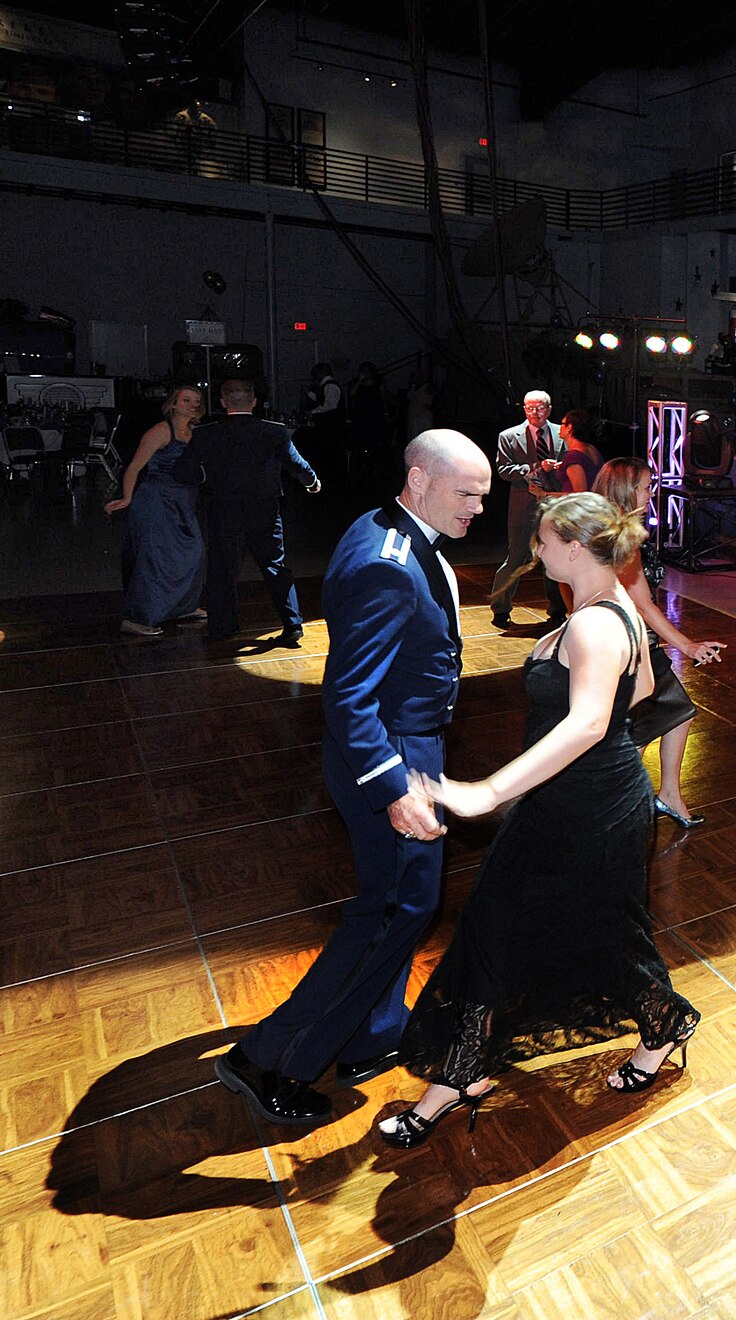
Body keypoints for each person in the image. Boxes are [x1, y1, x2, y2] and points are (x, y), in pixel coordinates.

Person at [378, 492, 701, 1147]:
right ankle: (464, 1071)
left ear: (575, 548)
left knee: (574, 931)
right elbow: (640, 702)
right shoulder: (612, 614)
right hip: (582, 800)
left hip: (586, 809)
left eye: (545, 541)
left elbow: (588, 723)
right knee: (517, 928)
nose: (537, 550)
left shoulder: (595, 624)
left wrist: (487, 790)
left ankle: (665, 1024)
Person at [214, 430, 490, 1126]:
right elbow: (347, 698)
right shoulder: (389, 563)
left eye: (484, 496)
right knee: (392, 913)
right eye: (467, 494)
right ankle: (272, 1059)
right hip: (391, 757)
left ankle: (369, 1034)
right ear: (420, 477)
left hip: (406, 745)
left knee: (403, 906)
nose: (479, 509)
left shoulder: (384, 526)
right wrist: (396, 787)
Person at [593, 458, 727, 827]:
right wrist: (687, 646)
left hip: (623, 643)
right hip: (631, 647)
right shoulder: (621, 539)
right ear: (625, 490)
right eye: (645, 486)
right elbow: (644, 602)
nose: (651, 493)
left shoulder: (597, 530)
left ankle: (666, 794)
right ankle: (612, 809)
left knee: (677, 714)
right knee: (634, 733)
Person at [183, 378, 321, 646]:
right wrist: (312, 482)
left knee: (222, 568)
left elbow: (185, 472)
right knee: (274, 565)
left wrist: (206, 478)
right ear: (254, 402)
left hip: (224, 509)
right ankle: (292, 624)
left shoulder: (205, 434)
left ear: (223, 403)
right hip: (264, 510)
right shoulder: (274, 432)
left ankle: (222, 627)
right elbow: (296, 464)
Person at [105, 386, 207, 637]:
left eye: (197, 401)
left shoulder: (195, 432)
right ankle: (136, 618)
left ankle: (182, 607)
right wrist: (127, 497)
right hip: (156, 501)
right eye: (186, 400)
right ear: (173, 404)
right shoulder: (160, 431)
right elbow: (134, 467)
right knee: (154, 560)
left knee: (193, 553)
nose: (192, 404)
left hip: (184, 502)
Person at [491, 388, 568, 628]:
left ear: (549, 409)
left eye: (540, 408)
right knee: (516, 557)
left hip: (554, 505)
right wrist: (535, 467)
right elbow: (504, 470)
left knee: (553, 558)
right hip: (523, 504)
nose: (535, 412)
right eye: (530, 408)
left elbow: (572, 466)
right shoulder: (509, 436)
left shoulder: (562, 433)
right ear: (524, 409)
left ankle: (557, 610)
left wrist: (559, 468)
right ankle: (501, 608)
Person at [555, 409, 604, 493]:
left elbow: (579, 495)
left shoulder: (573, 456)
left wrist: (544, 494)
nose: (560, 427)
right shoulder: (591, 448)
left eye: (562, 423)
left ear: (569, 427)